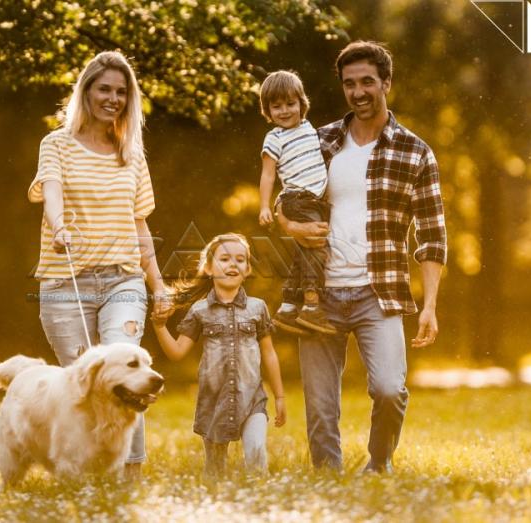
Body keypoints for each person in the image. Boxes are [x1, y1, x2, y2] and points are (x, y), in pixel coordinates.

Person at [276, 41, 447, 473]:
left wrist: (429, 305)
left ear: (386, 82)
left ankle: (378, 466)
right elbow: (285, 202)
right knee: (319, 403)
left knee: (390, 389)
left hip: (380, 292)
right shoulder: (319, 141)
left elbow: (431, 234)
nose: (359, 92)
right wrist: (290, 226)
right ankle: (327, 477)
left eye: (368, 81)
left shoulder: (414, 152)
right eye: (350, 84)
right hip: (319, 293)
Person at [26, 50, 169, 480]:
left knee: (128, 371)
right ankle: (84, 470)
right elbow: (51, 190)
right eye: (104, 89)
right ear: (85, 91)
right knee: (84, 381)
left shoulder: (132, 154)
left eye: (121, 92)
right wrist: (58, 225)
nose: (112, 98)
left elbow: (140, 222)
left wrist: (158, 283)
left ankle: (131, 476)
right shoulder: (57, 144)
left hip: (123, 279)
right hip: (66, 280)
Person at [151, 233, 286, 477]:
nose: (233, 264)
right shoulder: (199, 311)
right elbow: (177, 352)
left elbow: (269, 354)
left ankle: (259, 506)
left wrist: (279, 397)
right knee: (214, 471)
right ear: (209, 268)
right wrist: (160, 327)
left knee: (256, 456)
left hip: (252, 398)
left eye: (240, 260)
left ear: (247, 269)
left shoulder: (258, 308)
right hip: (213, 400)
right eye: (225, 259)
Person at [256, 70, 335, 336]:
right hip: (297, 199)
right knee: (316, 249)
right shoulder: (274, 138)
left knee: (303, 253)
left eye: (290, 103)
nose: (284, 111)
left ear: (302, 103)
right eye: (276, 106)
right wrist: (265, 206)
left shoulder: (310, 129)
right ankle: (312, 306)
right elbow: (268, 175)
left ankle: (288, 307)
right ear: (267, 110)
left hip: (312, 200)